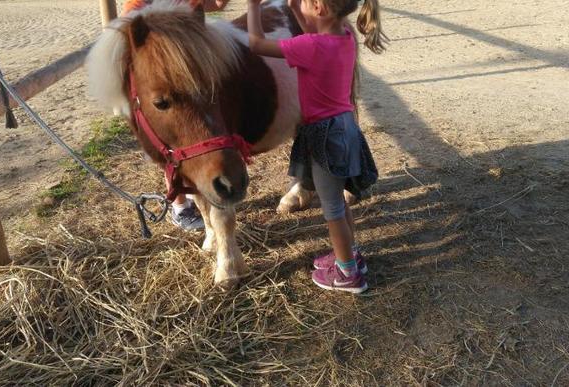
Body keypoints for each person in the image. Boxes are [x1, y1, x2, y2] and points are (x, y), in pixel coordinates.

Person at [247, 0, 384, 293]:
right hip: (346, 128)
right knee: (338, 200)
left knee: (332, 208)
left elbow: (256, 44)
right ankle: (350, 256)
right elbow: (311, 25)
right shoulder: (345, 36)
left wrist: (253, 5)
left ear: (320, 7)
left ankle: (348, 275)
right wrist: (297, 7)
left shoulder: (309, 47)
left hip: (325, 136)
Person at [122, 0, 232, 231]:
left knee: (192, 135)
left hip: (182, 73)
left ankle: (193, 193)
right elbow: (133, 27)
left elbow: (210, 6)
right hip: (157, 74)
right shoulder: (139, 2)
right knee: (170, 149)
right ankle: (180, 207)